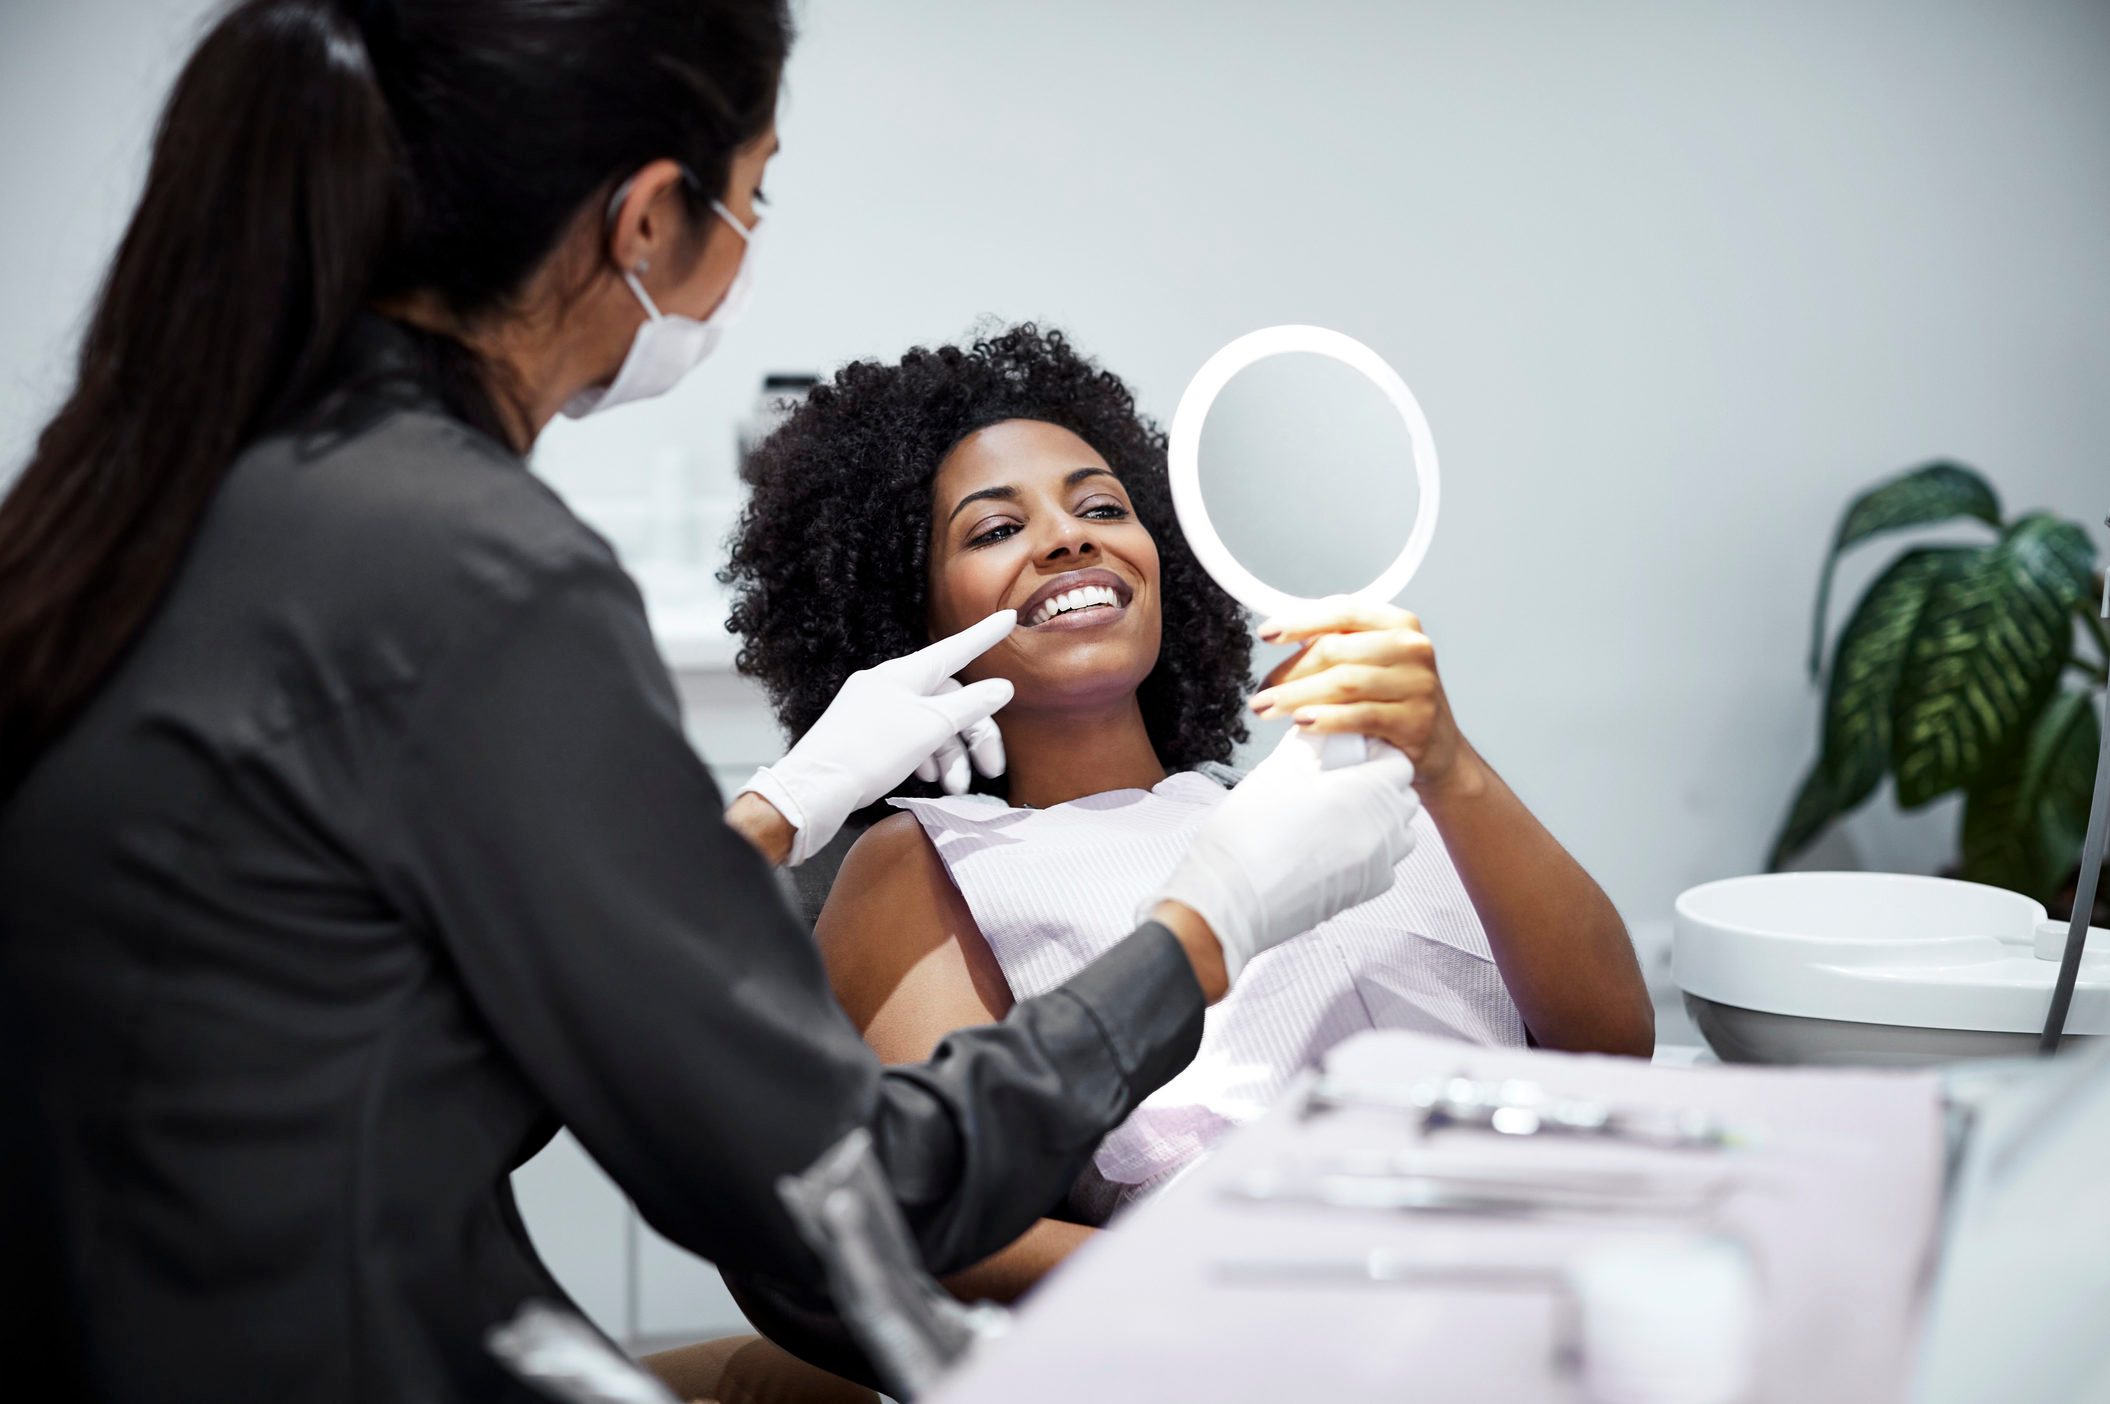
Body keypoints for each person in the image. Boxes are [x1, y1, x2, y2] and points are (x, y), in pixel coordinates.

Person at [0, 5, 1426, 1401]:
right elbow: (836, 1193)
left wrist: (767, 809)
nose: (1062, 545)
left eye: (1098, 505)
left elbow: (436, 1026)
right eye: (752, 201)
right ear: (645, 221)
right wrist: (1213, 921)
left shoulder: (179, 489)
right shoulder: (478, 574)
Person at [722, 325, 1657, 1299]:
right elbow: (917, 1223)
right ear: (910, 619)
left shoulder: (1338, 803)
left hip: (1555, 1260)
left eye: (1102, 507)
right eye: (996, 530)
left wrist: (1448, 764)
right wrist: (1237, 1269)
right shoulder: (928, 861)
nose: (1068, 537)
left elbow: (1609, 1044)